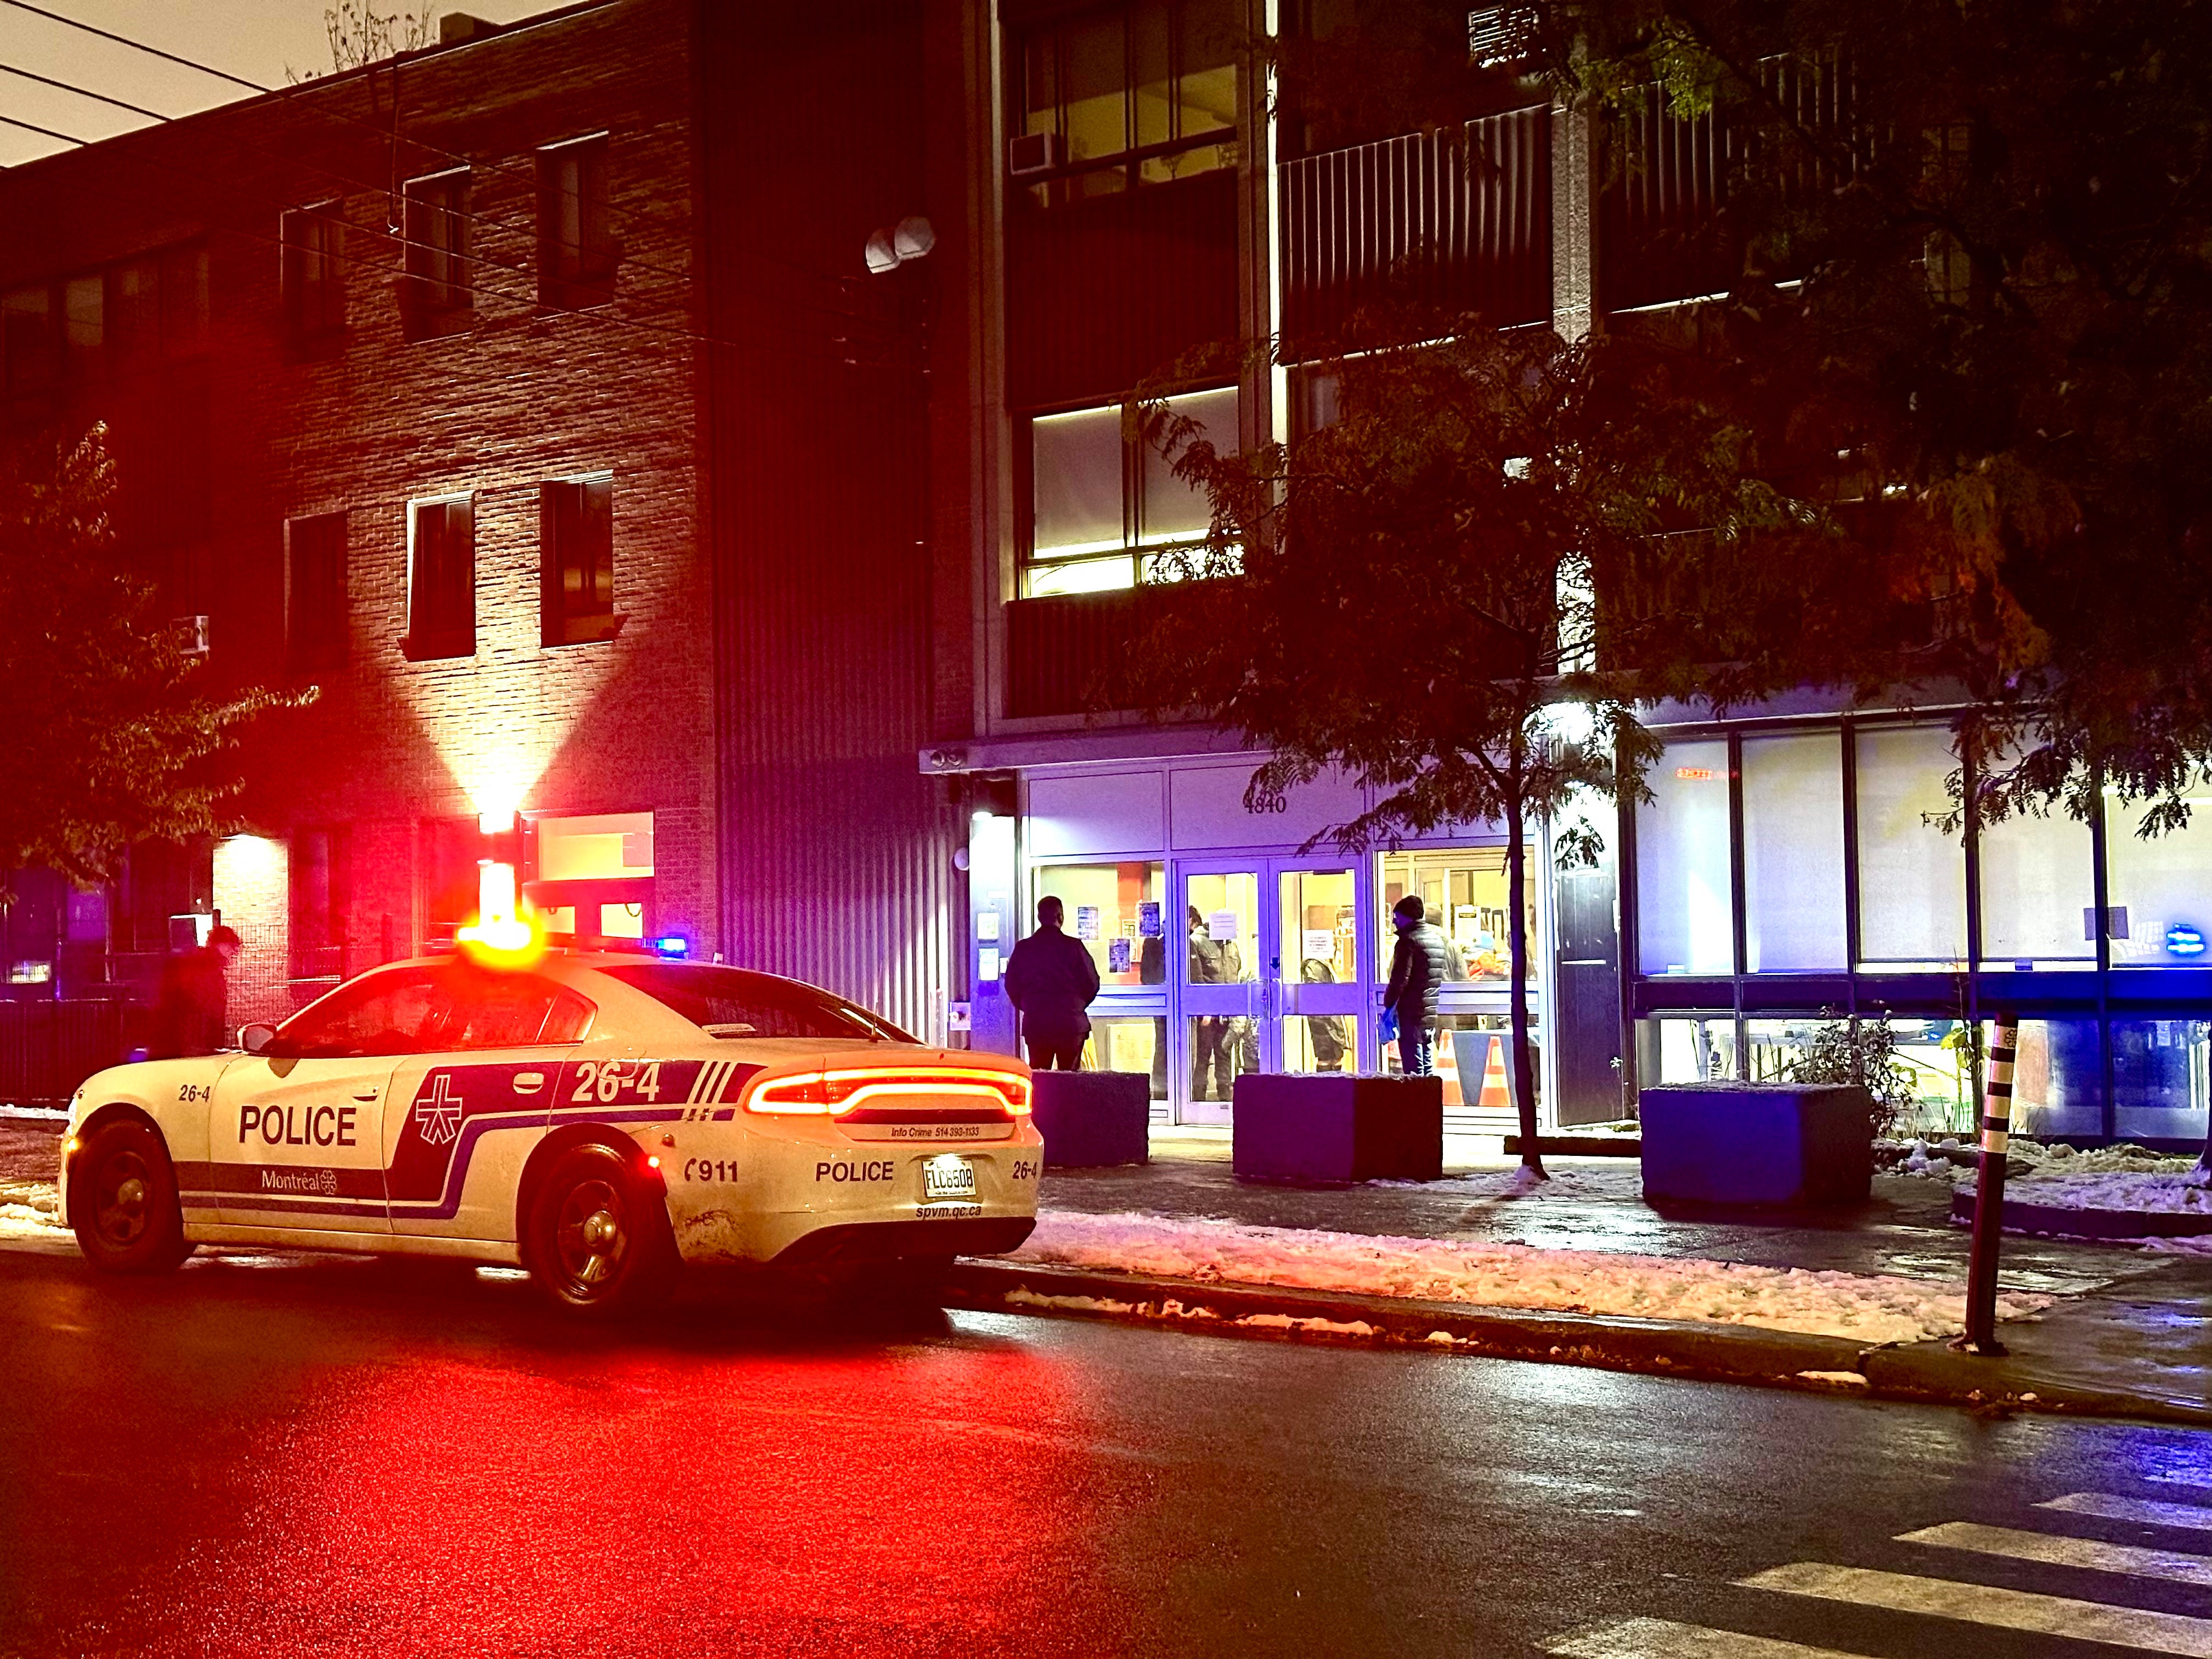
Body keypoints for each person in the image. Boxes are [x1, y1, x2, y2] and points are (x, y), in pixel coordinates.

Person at [1002, 895, 1100, 1070]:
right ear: (1060, 917)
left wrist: (1029, 1006)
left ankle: (1044, 1099)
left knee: (1040, 1077)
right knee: (1069, 1079)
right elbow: (1092, 982)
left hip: (1037, 1023)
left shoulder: (1024, 949)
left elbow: (1011, 984)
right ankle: (1067, 1099)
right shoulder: (1074, 947)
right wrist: (1076, 1006)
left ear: (1040, 918)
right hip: (1071, 1024)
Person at [146, 924, 241, 1059]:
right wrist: (206, 1043)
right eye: (232, 947)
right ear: (222, 945)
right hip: (195, 1042)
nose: (233, 953)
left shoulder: (202, 962)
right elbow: (204, 1008)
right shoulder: (207, 967)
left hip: (188, 1041)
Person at [1383, 895, 1450, 1077]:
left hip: (1410, 1013)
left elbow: (1400, 979)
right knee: (1426, 1061)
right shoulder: (1436, 941)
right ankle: (1428, 1101)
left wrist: (1388, 1001)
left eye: (1397, 916)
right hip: (1429, 1012)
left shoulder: (1408, 942)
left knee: (1413, 1067)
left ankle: (1416, 1102)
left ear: (1407, 917)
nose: (1394, 921)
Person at [1301, 958, 1348, 1072]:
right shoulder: (1314, 966)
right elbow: (1317, 1000)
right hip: (1326, 1027)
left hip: (1331, 1024)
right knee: (1327, 1059)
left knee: (1334, 1059)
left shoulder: (1323, 965)